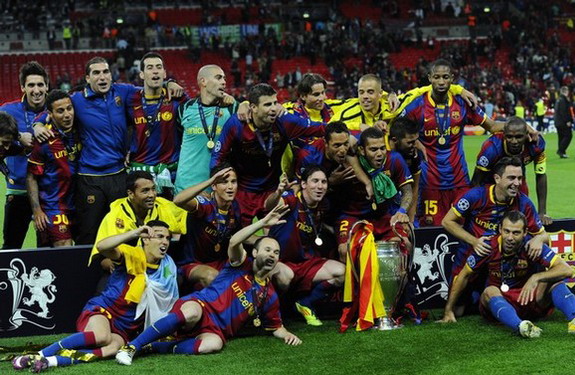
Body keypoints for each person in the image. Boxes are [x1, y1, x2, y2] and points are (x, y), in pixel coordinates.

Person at [115, 204, 301, 365]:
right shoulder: (239, 265)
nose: (271, 255)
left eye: (276, 253)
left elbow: (277, 326)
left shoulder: (269, 295)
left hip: (216, 329)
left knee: (213, 345)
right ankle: (132, 346)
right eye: (267, 250)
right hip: (202, 306)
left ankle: (153, 346)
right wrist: (261, 223)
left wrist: (287, 335)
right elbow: (235, 240)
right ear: (254, 253)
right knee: (192, 313)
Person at [34, 56, 184, 245]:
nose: (102, 77)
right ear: (87, 78)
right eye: (96, 73)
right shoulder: (77, 100)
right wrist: (37, 124)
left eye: (105, 72)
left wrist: (169, 83)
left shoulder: (124, 92)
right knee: (89, 232)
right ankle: (86, 273)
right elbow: (52, 108)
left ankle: (120, 272)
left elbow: (150, 87)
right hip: (90, 177)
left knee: (123, 230)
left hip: (119, 175)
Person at [12, 221, 178, 372]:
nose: (165, 242)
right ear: (146, 239)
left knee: (113, 349)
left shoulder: (168, 268)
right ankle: (38, 354)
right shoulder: (130, 255)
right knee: (101, 336)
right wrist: (134, 233)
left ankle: (52, 361)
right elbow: (102, 247)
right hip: (105, 310)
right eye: (159, 236)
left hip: (126, 327)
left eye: (168, 238)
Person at [400, 59, 506, 227]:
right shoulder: (417, 105)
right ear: (429, 78)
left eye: (445, 77)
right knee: (429, 230)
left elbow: (492, 126)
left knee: (462, 228)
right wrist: (416, 141)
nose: (441, 82)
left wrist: (522, 126)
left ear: (452, 78)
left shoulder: (463, 104)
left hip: (459, 182)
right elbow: (396, 129)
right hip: (429, 182)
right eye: (437, 77)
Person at [439, 211, 575, 338]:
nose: (510, 237)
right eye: (506, 231)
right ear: (500, 230)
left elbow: (567, 270)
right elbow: (464, 275)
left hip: (529, 297)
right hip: (501, 301)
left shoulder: (532, 245)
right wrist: (448, 310)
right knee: (489, 291)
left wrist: (536, 277)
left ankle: (573, 318)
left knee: (555, 282)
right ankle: (521, 327)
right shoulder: (488, 247)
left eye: (516, 233)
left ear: (525, 233)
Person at [442, 157, 548, 315]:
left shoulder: (524, 202)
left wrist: (538, 239)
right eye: (511, 178)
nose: (517, 183)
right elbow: (447, 221)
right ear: (497, 178)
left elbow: (544, 236)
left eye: (520, 178)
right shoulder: (475, 196)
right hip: (473, 253)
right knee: (459, 310)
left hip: (503, 260)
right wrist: (474, 241)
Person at [210, 83, 327, 227]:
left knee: (278, 238)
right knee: (237, 237)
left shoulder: (285, 121)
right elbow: (218, 155)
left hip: (273, 190)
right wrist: (216, 188)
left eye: (275, 103)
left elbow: (320, 128)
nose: (273, 109)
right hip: (242, 191)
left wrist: (353, 133)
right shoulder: (237, 124)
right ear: (253, 107)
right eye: (267, 105)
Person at [265, 166, 345, 326]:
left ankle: (305, 303)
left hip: (305, 262)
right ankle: (277, 312)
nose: (320, 186)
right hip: (281, 262)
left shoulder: (323, 206)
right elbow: (269, 206)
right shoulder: (291, 200)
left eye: (323, 182)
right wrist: (278, 193)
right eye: (315, 181)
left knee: (342, 272)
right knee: (284, 277)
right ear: (303, 184)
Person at [334, 127, 414, 261]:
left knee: (404, 244)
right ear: (361, 150)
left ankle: (400, 281)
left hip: (384, 216)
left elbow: (407, 192)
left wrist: (402, 211)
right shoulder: (349, 162)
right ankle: (354, 281)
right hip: (354, 216)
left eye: (382, 148)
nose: (380, 154)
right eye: (373, 149)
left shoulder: (394, 160)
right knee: (344, 250)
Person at [89, 171, 187, 273]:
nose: (152, 195)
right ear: (131, 194)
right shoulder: (116, 214)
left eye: (153, 189)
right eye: (145, 191)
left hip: (157, 268)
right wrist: (109, 263)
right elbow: (102, 256)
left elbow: (188, 216)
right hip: (125, 269)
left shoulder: (164, 206)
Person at [174, 64, 246, 193]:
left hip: (219, 189)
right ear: (203, 81)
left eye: (224, 78)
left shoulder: (232, 108)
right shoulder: (184, 109)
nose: (224, 82)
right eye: (218, 78)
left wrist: (245, 103)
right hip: (185, 187)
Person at [0, 61, 48, 249]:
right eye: (30, 85)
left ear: (47, 86)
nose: (36, 90)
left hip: (47, 193)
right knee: (11, 247)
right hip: (17, 191)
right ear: (22, 87)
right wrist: (18, 137)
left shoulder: (55, 111)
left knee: (47, 250)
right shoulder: (7, 110)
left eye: (40, 84)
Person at [127, 52, 187, 198]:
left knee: (172, 219)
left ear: (164, 73)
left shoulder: (178, 98)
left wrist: (239, 103)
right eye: (150, 67)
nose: (155, 71)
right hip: (139, 174)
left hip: (171, 173)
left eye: (159, 67)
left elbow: (205, 104)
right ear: (141, 74)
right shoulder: (130, 99)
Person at [173, 164, 242, 288]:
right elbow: (178, 200)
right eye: (224, 182)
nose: (230, 187)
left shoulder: (235, 207)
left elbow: (239, 235)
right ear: (214, 186)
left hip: (220, 262)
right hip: (193, 264)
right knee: (212, 277)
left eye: (233, 182)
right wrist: (210, 180)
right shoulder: (205, 205)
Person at [472, 117, 551, 225]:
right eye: (509, 137)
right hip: (490, 182)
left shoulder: (536, 145)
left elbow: (541, 175)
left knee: (520, 217)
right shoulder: (491, 148)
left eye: (518, 137)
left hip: (517, 180)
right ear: (504, 135)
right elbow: (476, 181)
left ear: (526, 135)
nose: (514, 141)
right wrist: (475, 210)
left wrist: (542, 212)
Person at [27, 90, 80, 247]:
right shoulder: (44, 140)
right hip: (54, 207)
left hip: (80, 204)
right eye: (60, 111)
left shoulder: (80, 130)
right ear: (50, 114)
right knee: (65, 248)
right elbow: (31, 177)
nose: (67, 115)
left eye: (69, 109)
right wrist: (37, 211)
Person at [387, 117, 423, 222]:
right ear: (395, 140)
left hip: (401, 206)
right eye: (410, 142)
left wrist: (411, 220)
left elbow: (414, 187)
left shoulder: (414, 155)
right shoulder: (380, 152)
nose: (415, 145)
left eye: (416, 141)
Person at [554, 86, 572, 158]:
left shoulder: (558, 99)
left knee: (561, 137)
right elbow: (563, 112)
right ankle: (561, 150)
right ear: (566, 92)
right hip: (563, 122)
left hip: (557, 121)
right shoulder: (563, 100)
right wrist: (567, 120)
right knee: (568, 135)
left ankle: (562, 153)